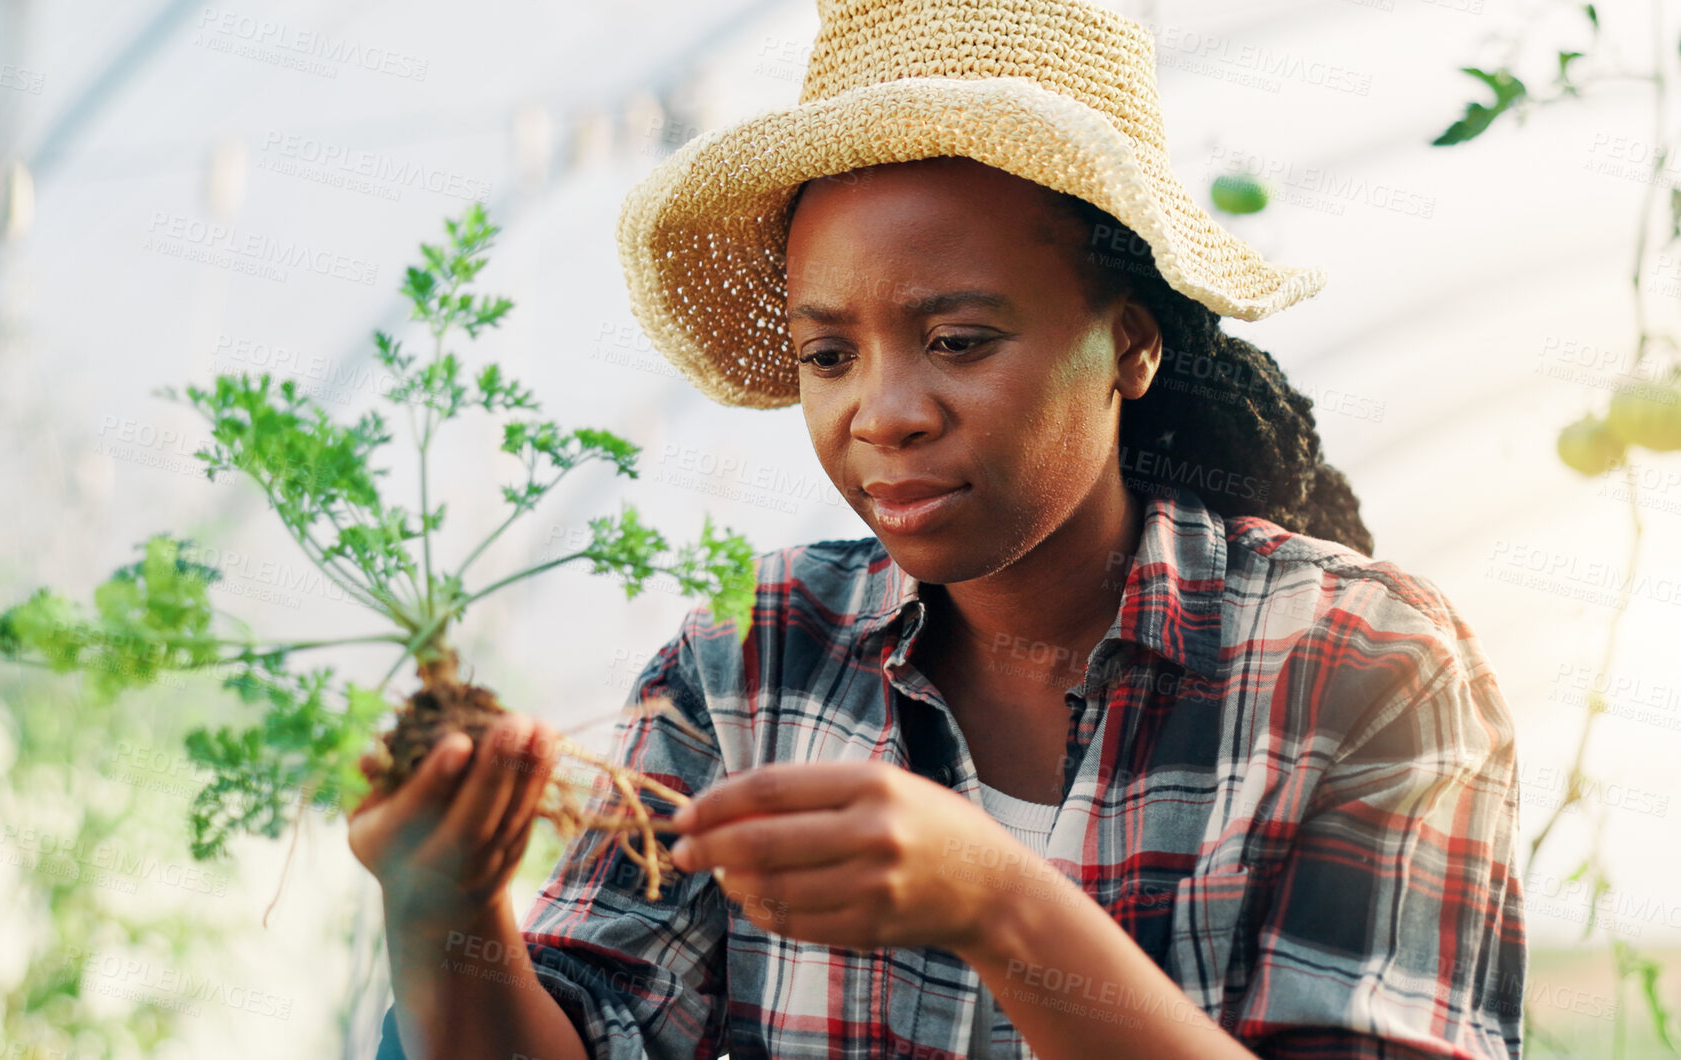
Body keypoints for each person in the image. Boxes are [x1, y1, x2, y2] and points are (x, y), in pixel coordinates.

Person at [349, 1, 1528, 1058]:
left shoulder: (1361, 667)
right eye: (828, 355)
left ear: (1127, 341)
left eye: (958, 340)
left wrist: (997, 905)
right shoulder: (751, 663)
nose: (884, 414)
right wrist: (442, 911)